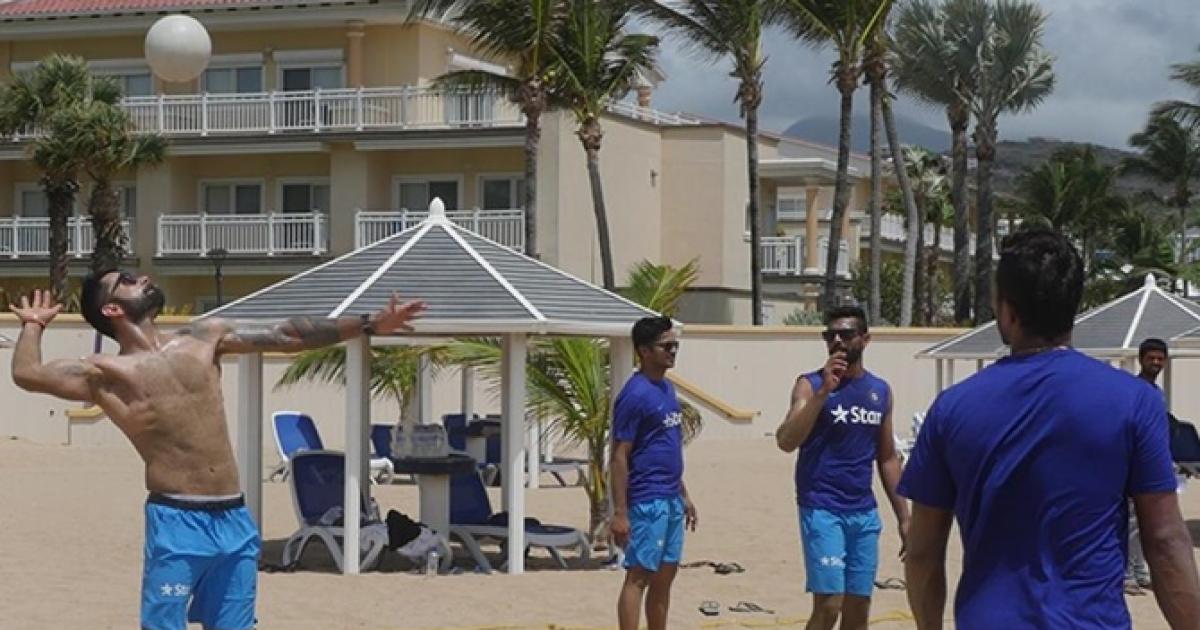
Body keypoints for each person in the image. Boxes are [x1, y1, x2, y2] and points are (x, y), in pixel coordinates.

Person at [8, 270, 425, 630]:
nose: (143, 278)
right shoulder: (105, 375)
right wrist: (33, 325)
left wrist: (369, 323)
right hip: (176, 521)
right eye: (128, 280)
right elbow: (27, 373)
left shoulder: (203, 337)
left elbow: (287, 335)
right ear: (112, 309)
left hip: (234, 518)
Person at [899, 228, 1200, 629]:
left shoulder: (952, 409)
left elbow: (923, 552)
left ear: (1008, 312)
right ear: (1073, 307)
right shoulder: (1134, 401)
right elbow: (1164, 540)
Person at [775, 305, 909, 630]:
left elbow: (887, 458)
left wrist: (905, 518)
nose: (837, 341)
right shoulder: (809, 385)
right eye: (830, 335)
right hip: (822, 508)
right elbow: (786, 440)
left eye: (846, 334)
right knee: (829, 604)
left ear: (865, 339)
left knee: (858, 607)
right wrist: (823, 392)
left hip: (863, 513)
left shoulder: (879, 391)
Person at [611, 315, 697, 630]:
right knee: (639, 576)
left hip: (670, 497)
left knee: (665, 576)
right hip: (647, 499)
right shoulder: (635, 395)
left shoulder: (667, 389)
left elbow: (665, 447)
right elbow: (619, 456)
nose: (673, 351)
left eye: (675, 345)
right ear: (645, 351)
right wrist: (620, 513)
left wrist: (684, 494)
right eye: (666, 346)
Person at [1127, 337, 1169, 592]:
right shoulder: (1134, 390)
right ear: (1141, 360)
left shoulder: (1157, 393)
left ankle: (1140, 572)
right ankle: (1127, 575)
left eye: (1159, 358)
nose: (1155, 362)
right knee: (1131, 523)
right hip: (1134, 466)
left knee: (1148, 524)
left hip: (1153, 468)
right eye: (1151, 358)